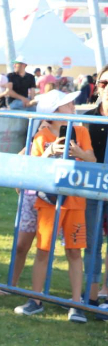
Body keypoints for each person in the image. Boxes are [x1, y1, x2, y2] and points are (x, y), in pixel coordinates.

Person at [13, 90, 94, 322]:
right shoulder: (41, 137)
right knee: (43, 250)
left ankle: (76, 304)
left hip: (76, 200)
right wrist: (49, 152)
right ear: (55, 112)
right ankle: (35, 299)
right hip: (48, 202)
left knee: (73, 251)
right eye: (68, 104)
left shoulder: (81, 131)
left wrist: (78, 152)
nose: (73, 106)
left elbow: (94, 160)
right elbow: (32, 168)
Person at [82, 65, 108, 319]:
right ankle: (90, 296)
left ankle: (105, 294)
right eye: (103, 83)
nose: (107, 88)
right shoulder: (88, 117)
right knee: (92, 245)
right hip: (92, 191)